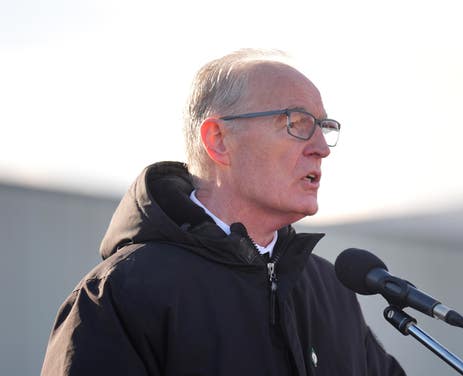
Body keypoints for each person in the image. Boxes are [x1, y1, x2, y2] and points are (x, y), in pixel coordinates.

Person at [41, 49, 405, 375]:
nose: (321, 148)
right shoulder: (122, 294)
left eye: (324, 127)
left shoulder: (330, 289)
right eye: (296, 122)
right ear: (218, 140)